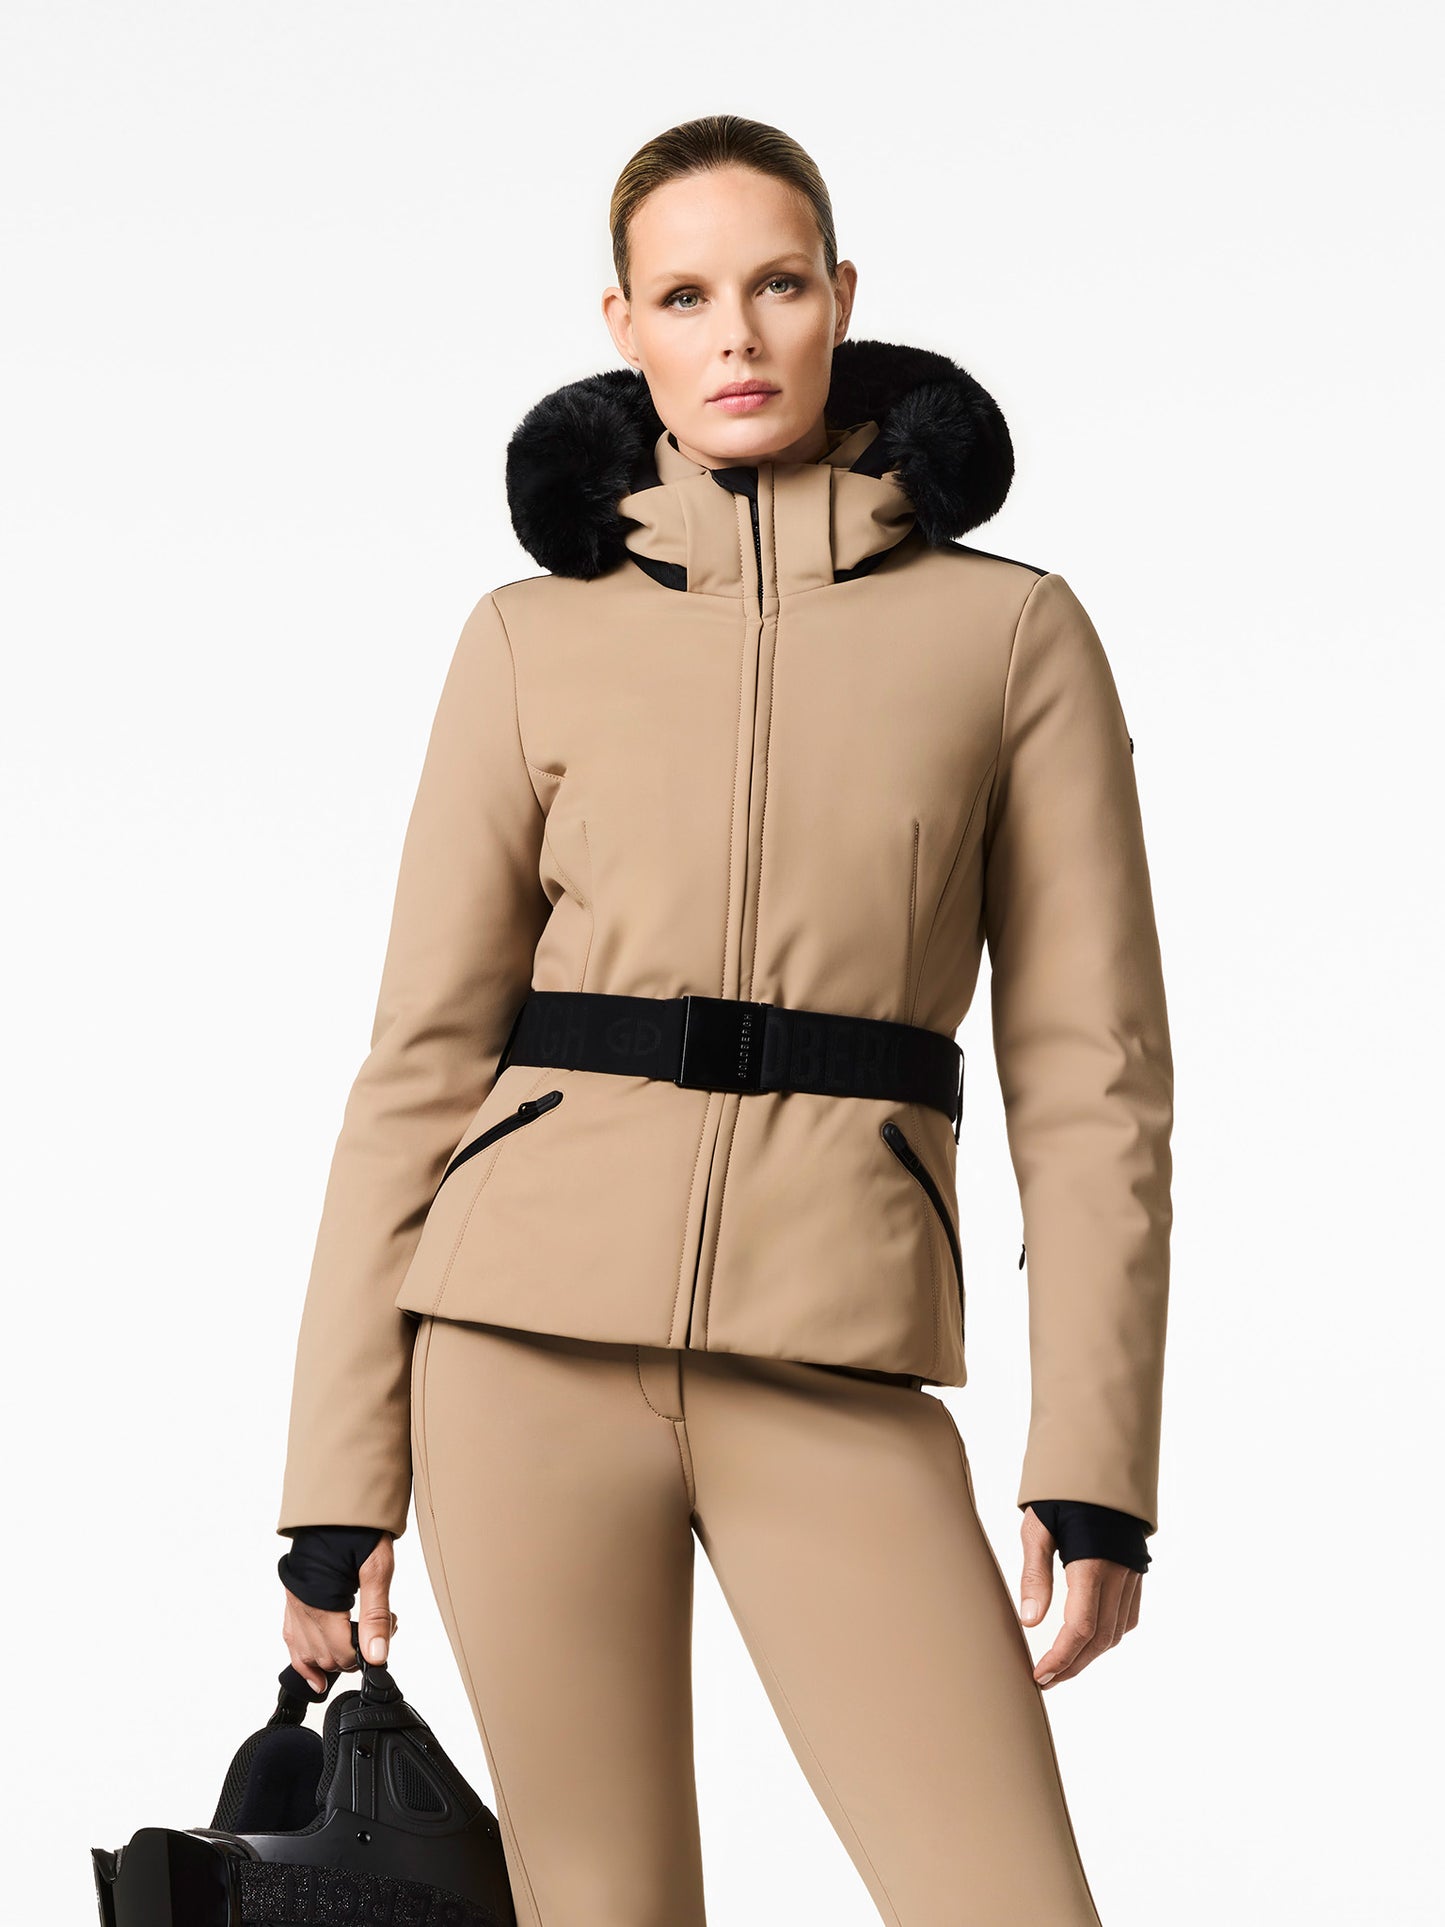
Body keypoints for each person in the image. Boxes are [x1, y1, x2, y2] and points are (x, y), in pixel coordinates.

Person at [274, 113, 1173, 1926]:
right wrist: (332, 1479)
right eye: (684, 297)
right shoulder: (529, 638)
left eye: (775, 285)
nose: (737, 336)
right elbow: (421, 1059)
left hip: (828, 1351)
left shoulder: (1009, 635)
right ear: (623, 326)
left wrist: (1095, 1468)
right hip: (513, 1352)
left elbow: (1093, 1078)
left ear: (841, 296)